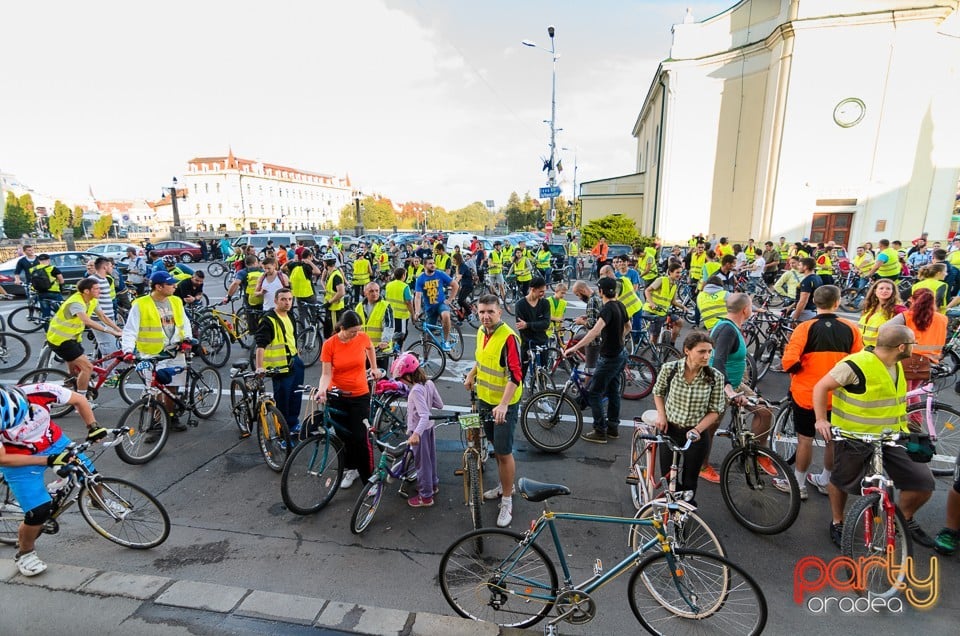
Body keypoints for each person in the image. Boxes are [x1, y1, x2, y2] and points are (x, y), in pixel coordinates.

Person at [813, 323, 936, 548]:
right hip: (855, 437)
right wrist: (821, 419)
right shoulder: (855, 364)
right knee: (841, 481)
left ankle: (904, 519)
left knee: (922, 482)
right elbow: (821, 387)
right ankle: (838, 522)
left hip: (892, 437)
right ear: (901, 346)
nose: (914, 347)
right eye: (912, 343)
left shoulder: (896, 364)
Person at [0, 384, 111, 576]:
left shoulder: (41, 390)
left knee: (91, 474)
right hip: (18, 458)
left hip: (54, 441)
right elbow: (2, 458)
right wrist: (48, 460)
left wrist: (93, 427)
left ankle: (98, 502)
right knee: (38, 512)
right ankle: (25, 554)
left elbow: (79, 399)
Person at [778, 286, 862, 499]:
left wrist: (799, 372)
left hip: (806, 393)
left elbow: (789, 361)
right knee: (831, 439)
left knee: (804, 438)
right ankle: (825, 480)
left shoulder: (805, 328)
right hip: (838, 394)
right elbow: (858, 361)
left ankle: (798, 484)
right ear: (837, 302)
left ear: (814, 302)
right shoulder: (851, 328)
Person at [701, 293, 775, 483]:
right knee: (709, 428)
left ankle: (758, 453)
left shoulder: (731, 325)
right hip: (719, 386)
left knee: (764, 412)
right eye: (752, 306)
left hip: (735, 382)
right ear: (745, 309)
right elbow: (717, 360)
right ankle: (702, 466)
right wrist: (728, 390)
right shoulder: (727, 330)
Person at [464, 295, 522, 528]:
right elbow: (481, 359)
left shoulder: (508, 337)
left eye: (490, 312)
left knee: (504, 451)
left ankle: (507, 499)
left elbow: (516, 375)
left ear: (500, 312)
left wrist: (504, 404)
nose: (485, 316)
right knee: (494, 446)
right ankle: (504, 484)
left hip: (503, 405)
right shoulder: (481, 332)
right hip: (485, 400)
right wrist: (471, 374)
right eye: (481, 312)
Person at [648, 331, 726, 504]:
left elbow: (715, 410)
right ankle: (669, 508)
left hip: (696, 435)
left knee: (690, 480)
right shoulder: (670, 369)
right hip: (670, 429)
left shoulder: (715, 377)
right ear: (687, 350)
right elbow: (658, 392)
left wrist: (698, 430)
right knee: (668, 477)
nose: (707, 356)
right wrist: (662, 415)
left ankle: (682, 515)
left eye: (709, 352)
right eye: (701, 351)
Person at [317, 310, 384, 490]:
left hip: (359, 394)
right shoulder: (330, 345)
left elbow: (370, 347)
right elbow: (326, 373)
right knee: (344, 437)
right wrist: (322, 390)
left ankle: (368, 479)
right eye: (352, 331)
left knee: (360, 438)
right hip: (338, 395)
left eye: (358, 330)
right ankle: (351, 469)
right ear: (342, 328)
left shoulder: (361, 338)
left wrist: (374, 368)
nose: (356, 334)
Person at [121, 271, 193, 434]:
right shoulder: (141, 304)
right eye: (170, 284)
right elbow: (130, 330)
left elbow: (184, 322)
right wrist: (128, 350)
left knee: (171, 388)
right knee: (153, 390)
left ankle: (171, 417)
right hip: (151, 354)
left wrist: (187, 339)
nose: (175, 286)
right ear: (158, 287)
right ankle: (155, 423)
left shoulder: (176, 301)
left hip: (175, 350)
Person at [564, 276, 630, 444]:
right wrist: (618, 338)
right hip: (621, 354)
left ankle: (600, 430)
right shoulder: (620, 305)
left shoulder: (607, 309)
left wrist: (573, 348)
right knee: (613, 391)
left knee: (594, 393)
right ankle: (613, 428)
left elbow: (594, 332)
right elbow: (628, 327)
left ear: (601, 291)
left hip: (609, 357)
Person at [44, 278, 122, 397]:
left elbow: (103, 317)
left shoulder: (92, 300)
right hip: (60, 340)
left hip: (72, 339)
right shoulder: (76, 303)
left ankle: (70, 384)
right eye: (96, 289)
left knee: (75, 370)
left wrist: (119, 330)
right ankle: (81, 399)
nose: (99, 291)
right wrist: (110, 332)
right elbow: (87, 321)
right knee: (87, 367)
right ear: (86, 291)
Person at [392, 353, 443, 507]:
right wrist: (427, 402)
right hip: (429, 429)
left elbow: (424, 415)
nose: (401, 382)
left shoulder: (415, 391)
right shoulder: (428, 383)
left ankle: (426, 497)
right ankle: (433, 485)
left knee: (422, 464)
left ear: (408, 375)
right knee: (430, 459)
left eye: (401, 378)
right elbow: (439, 404)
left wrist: (415, 434)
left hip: (420, 432)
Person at [254, 288, 304, 439]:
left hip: (294, 361)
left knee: (296, 396)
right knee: (283, 400)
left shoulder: (290, 315)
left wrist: (298, 356)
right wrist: (259, 367)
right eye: (283, 299)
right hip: (280, 367)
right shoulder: (268, 319)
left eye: (289, 299)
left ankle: (293, 424)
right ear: (275, 301)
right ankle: (283, 433)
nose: (287, 302)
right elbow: (260, 345)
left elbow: (292, 337)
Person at [887, 287, 947, 403]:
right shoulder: (943, 319)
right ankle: (916, 418)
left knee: (905, 392)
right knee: (914, 391)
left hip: (909, 358)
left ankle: (909, 417)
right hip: (931, 360)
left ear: (913, 300)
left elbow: (884, 329)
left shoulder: (908, 315)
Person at [414, 256, 458, 351]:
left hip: (441, 304)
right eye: (430, 263)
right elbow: (417, 297)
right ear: (425, 266)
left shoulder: (440, 274)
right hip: (429, 308)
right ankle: (426, 358)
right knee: (428, 336)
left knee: (446, 315)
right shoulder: (421, 279)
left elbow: (455, 285)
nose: (433, 265)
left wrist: (450, 299)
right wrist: (417, 311)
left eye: (433, 263)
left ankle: (445, 341)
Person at [515, 277, 551, 385]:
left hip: (542, 340)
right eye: (541, 291)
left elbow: (546, 323)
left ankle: (542, 392)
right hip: (527, 342)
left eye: (544, 291)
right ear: (532, 289)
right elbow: (520, 326)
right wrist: (534, 325)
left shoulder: (545, 303)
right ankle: (518, 392)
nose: (543, 294)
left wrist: (528, 325)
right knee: (523, 370)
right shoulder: (520, 305)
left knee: (543, 370)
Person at [640, 262, 684, 345]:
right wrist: (652, 304)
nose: (679, 274)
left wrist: (683, 307)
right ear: (670, 272)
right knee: (655, 336)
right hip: (652, 311)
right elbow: (647, 290)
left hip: (663, 311)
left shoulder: (674, 285)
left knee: (679, 322)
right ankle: (654, 355)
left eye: (680, 272)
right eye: (677, 272)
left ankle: (671, 344)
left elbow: (673, 301)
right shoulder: (661, 280)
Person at [86, 257, 121, 357]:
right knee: (108, 347)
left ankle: (108, 369)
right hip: (100, 318)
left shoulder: (105, 279)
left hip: (108, 317)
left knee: (112, 345)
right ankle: (109, 372)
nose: (112, 268)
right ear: (105, 267)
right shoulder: (93, 280)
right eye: (110, 266)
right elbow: (91, 301)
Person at [356, 282, 394, 371]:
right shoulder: (359, 307)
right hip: (364, 349)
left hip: (380, 350)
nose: (375, 293)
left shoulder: (385, 306)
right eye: (371, 291)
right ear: (365, 292)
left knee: (380, 379)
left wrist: (385, 341)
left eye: (377, 291)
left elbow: (389, 326)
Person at [857, 278, 905, 349]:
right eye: (881, 288)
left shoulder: (897, 309)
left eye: (888, 289)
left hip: (881, 350)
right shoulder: (870, 307)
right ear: (875, 291)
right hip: (862, 348)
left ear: (893, 292)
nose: (884, 291)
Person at [572, 280, 603, 369]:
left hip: (594, 340)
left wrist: (580, 322)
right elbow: (599, 313)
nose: (579, 298)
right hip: (602, 336)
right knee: (577, 339)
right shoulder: (597, 296)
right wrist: (587, 316)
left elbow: (591, 324)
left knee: (589, 369)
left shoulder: (591, 301)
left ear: (582, 291)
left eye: (578, 295)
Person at [613, 255, 644, 346]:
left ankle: (636, 341)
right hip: (622, 304)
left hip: (633, 303)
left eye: (624, 261)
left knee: (636, 323)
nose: (621, 263)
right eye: (619, 262)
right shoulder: (616, 275)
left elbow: (635, 288)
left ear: (628, 263)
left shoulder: (633, 273)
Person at [320, 253, 347, 339]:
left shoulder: (336, 276)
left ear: (326, 263)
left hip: (335, 308)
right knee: (330, 331)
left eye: (324, 262)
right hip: (331, 308)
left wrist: (329, 302)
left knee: (335, 332)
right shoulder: (330, 273)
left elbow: (341, 292)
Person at [384, 267, 414, 343]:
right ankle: (398, 350)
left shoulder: (388, 285)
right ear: (403, 275)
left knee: (392, 332)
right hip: (401, 316)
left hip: (390, 314)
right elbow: (408, 302)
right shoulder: (405, 286)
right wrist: (413, 314)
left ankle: (393, 347)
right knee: (402, 334)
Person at [792, 257, 822, 322]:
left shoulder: (807, 281)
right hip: (814, 311)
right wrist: (790, 307)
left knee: (791, 331)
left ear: (805, 267)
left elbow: (803, 301)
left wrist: (795, 317)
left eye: (800, 265)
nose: (798, 267)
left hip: (805, 313)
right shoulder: (817, 278)